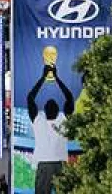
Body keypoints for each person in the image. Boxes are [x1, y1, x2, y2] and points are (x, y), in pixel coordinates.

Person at [27, 61, 75, 194]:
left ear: (44, 111)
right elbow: (69, 97)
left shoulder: (38, 120)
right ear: (58, 110)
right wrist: (56, 78)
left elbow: (30, 97)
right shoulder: (63, 120)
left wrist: (43, 77)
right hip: (60, 165)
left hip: (44, 165)